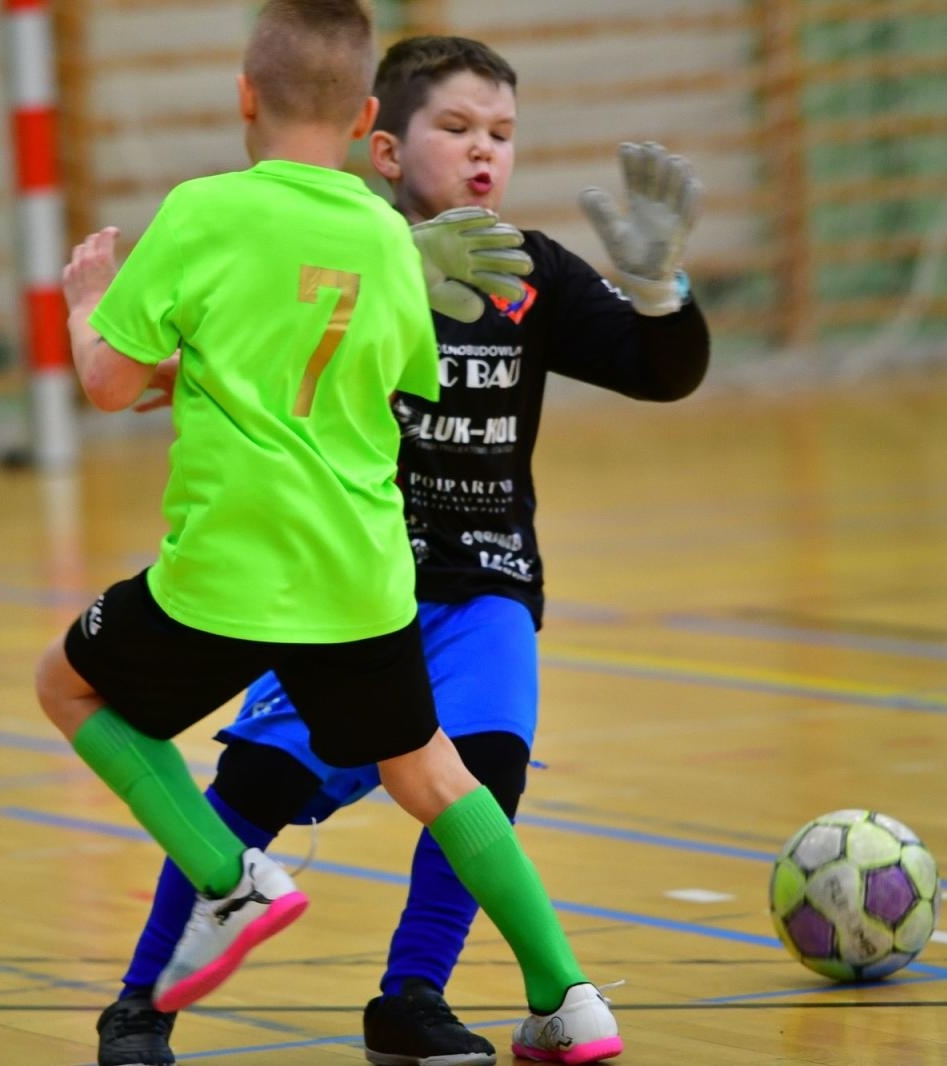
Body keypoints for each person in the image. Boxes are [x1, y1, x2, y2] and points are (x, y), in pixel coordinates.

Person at [91, 34, 710, 1066]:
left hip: (482, 586)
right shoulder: (334, 262)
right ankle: (141, 1005)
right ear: (381, 146)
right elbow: (196, 367)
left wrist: (658, 293)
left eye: (503, 134)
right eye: (457, 128)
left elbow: (662, 372)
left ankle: (411, 999)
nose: (484, 153)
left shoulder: (531, 279)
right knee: (254, 791)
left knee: (486, 768)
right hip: (345, 584)